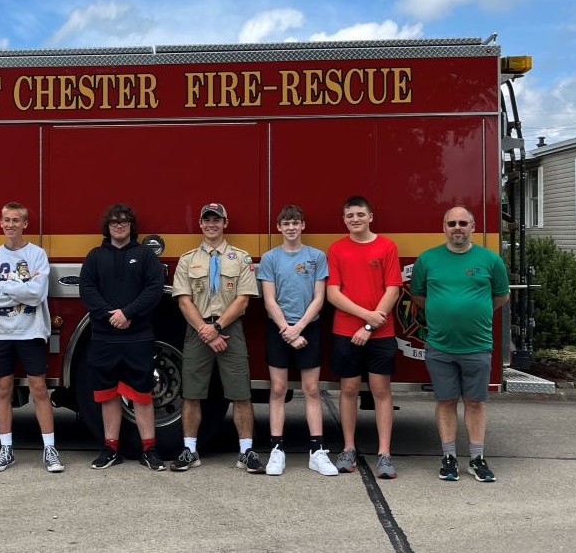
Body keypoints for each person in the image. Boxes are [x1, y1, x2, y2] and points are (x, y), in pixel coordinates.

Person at [410, 206, 509, 483]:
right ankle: (449, 458)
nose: (457, 227)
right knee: (446, 401)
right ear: (444, 227)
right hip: (440, 346)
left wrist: (475, 311)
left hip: (477, 345)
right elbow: (418, 295)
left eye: (462, 223)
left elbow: (500, 296)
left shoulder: (490, 260)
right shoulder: (428, 260)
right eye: (451, 223)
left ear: (472, 227)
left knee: (475, 402)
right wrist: (444, 311)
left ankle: (476, 459)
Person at [170, 202, 263, 473]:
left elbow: (243, 300)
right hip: (198, 328)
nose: (211, 224)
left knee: (241, 393)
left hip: (229, 329)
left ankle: (246, 451)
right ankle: (190, 450)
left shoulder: (241, 258)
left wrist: (218, 328)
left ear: (225, 223)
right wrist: (206, 331)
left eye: (217, 220)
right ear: (200, 224)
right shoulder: (188, 260)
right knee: (191, 393)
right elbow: (184, 302)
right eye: (206, 220)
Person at [79, 204, 166, 471]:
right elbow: (87, 290)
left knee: (142, 395)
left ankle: (149, 450)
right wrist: (109, 315)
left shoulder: (144, 256)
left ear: (131, 226)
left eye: (124, 221)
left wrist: (127, 313)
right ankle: (111, 449)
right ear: (107, 226)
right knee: (108, 396)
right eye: (114, 222)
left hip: (138, 337)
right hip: (104, 338)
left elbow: (154, 289)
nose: (119, 225)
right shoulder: (94, 256)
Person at [0, 202, 63, 473]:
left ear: (25, 224)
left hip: (32, 331)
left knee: (39, 388)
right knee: (3, 390)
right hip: (1, 334)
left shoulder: (37, 254)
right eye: (6, 219)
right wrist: (22, 287)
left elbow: (38, 294)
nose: (10, 225)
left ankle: (50, 449)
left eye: (16, 220)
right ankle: (6, 450)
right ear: (1, 223)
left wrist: (4, 284)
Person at [258, 204, 338, 477]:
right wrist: (286, 330)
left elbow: (320, 298)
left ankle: (317, 451)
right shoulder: (270, 258)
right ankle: (277, 450)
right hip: (279, 330)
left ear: (303, 226)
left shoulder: (317, 257)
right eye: (285, 223)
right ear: (278, 228)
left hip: (309, 328)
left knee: (312, 389)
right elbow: (269, 299)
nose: (291, 227)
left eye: (295, 222)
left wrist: (300, 327)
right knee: (278, 389)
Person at [326, 195, 402, 479]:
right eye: (350, 216)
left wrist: (370, 325)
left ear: (371, 216)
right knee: (348, 390)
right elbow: (333, 293)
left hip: (380, 333)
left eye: (360, 214)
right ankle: (348, 449)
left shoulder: (387, 246)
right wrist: (366, 316)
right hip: (346, 332)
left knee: (381, 391)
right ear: (344, 219)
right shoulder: (336, 249)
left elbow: (392, 289)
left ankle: (384, 453)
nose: (355, 219)